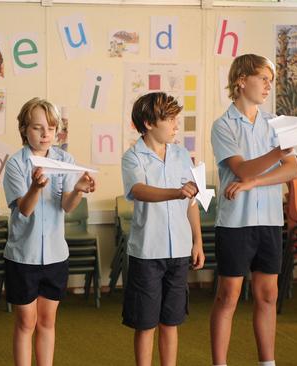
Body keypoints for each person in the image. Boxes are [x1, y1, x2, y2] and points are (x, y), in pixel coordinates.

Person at [209, 54, 297, 366]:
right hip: (235, 223)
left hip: (270, 221)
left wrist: (253, 183)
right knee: (229, 296)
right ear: (241, 81)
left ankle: (267, 363)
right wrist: (274, 155)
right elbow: (242, 169)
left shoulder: (276, 123)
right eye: (263, 78)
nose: (267, 86)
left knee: (268, 296)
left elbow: (292, 170)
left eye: (270, 81)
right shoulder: (222, 126)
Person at [3, 97, 96, 366]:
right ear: (24, 129)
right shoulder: (16, 164)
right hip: (23, 256)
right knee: (25, 322)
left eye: (51, 129)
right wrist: (35, 187)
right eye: (37, 128)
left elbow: (66, 206)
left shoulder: (65, 160)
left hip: (56, 255)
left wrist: (78, 190)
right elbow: (25, 210)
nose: (46, 135)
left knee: (47, 321)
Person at [121, 92, 205, 366]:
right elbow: (139, 190)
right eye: (169, 119)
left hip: (179, 251)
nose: (175, 125)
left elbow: (192, 201)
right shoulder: (133, 157)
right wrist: (176, 192)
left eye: (175, 118)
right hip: (147, 252)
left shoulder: (182, 155)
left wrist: (197, 242)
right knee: (145, 324)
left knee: (172, 321)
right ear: (148, 123)